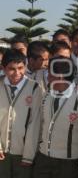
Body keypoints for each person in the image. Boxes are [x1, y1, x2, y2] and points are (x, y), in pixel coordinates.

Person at [33, 56, 78, 178]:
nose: (47, 77)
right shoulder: (46, 96)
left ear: (59, 76)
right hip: (44, 158)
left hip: (69, 162)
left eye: (49, 73)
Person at [0, 49, 43, 178]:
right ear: (3, 68)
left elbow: (35, 123)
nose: (17, 73)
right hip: (2, 153)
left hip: (23, 153)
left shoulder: (34, 88)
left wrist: (29, 154)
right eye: (11, 69)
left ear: (25, 66)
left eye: (20, 68)